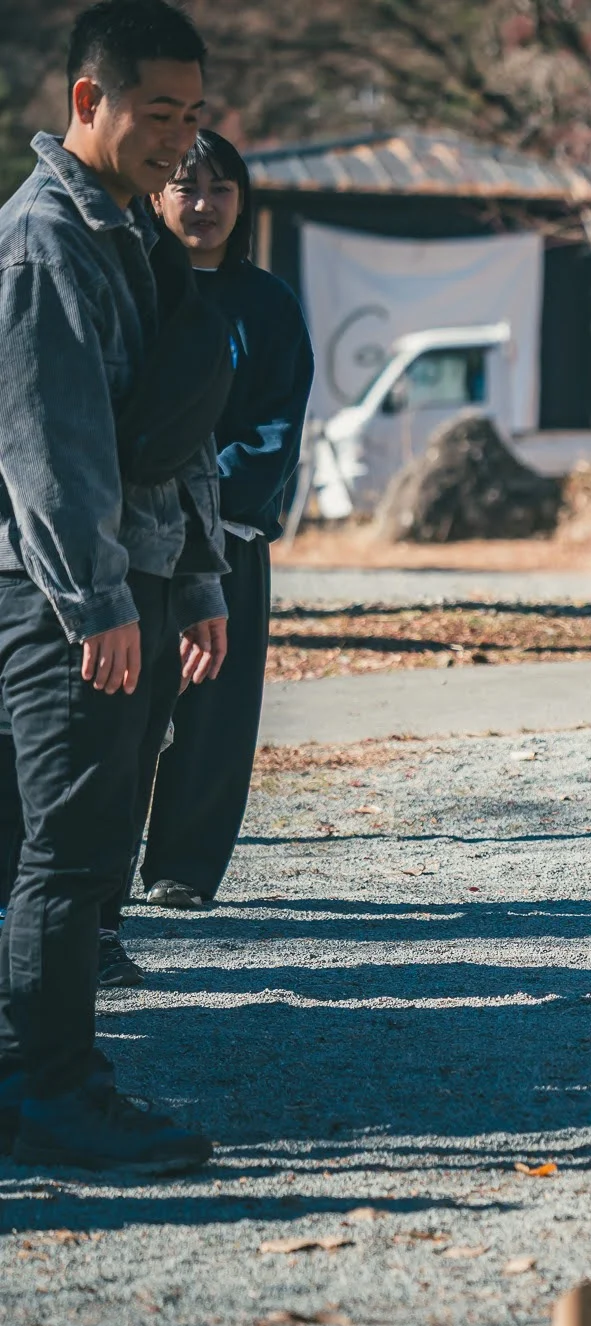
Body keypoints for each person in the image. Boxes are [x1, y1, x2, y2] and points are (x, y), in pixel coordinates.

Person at [0, 0, 227, 1173]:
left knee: (68, 845)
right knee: (71, 852)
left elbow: (175, 417)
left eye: (193, 117)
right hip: (58, 597)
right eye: (158, 112)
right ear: (89, 100)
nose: (178, 139)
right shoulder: (46, 238)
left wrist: (196, 576)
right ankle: (53, 1091)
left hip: (125, 579)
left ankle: (31, 1078)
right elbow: (50, 447)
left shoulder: (131, 230)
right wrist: (98, 605)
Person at [131, 130, 314, 920]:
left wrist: (205, 497)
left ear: (243, 202)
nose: (203, 205)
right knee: (123, 709)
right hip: (132, 537)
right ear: (155, 196)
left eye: (220, 189)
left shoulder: (268, 303)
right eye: (185, 186)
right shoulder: (132, 285)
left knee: (214, 711)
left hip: (229, 540)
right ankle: (94, 872)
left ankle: (184, 867)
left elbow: (278, 426)